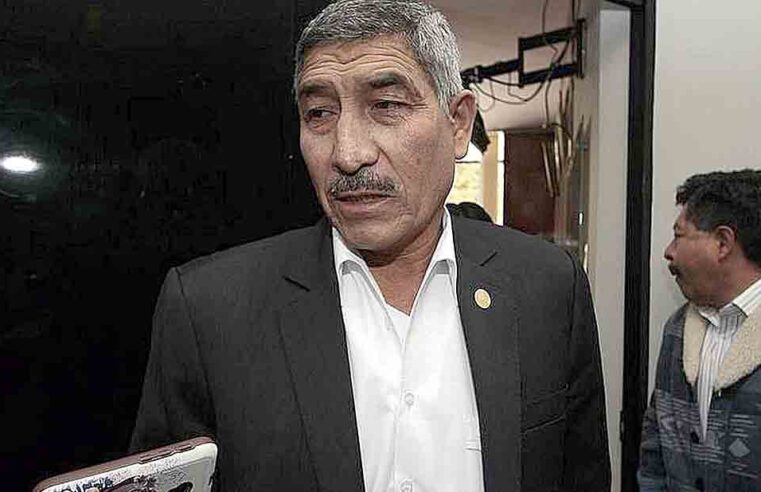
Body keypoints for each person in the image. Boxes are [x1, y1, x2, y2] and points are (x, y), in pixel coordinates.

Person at [130, 1, 610, 490]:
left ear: (458, 124)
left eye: (387, 106)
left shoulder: (547, 288)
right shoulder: (209, 311)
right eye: (319, 114)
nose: (348, 153)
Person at [639, 169, 761, 491]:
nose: (668, 251)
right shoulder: (678, 331)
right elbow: (654, 451)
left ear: (722, 242)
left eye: (679, 236)